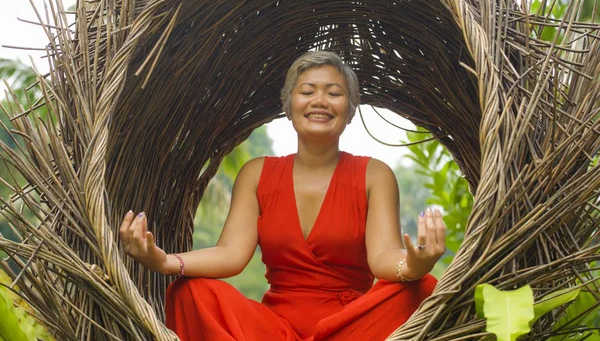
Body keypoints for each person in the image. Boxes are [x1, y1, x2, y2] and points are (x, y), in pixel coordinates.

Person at [120, 51, 447, 341]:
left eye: (334, 93)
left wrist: (414, 264)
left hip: (350, 328)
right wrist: (165, 262)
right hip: (273, 330)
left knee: (422, 287)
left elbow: (382, 258)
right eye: (307, 91)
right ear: (288, 106)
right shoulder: (256, 173)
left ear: (349, 111)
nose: (320, 100)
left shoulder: (374, 174)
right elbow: (232, 254)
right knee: (190, 290)